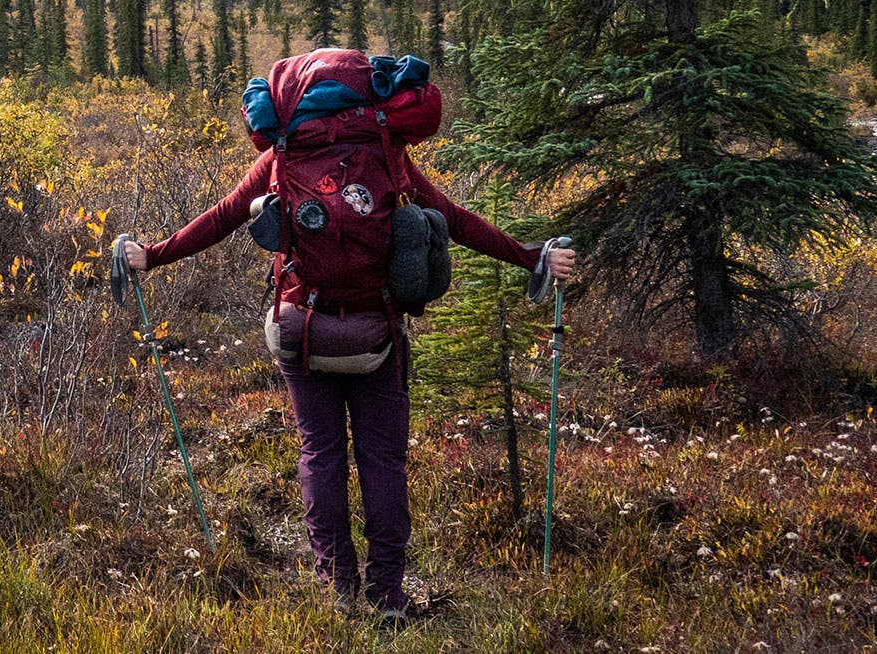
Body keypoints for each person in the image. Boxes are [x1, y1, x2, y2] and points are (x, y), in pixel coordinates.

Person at [115, 156, 576, 620]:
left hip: (299, 331)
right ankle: (386, 594)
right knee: (383, 464)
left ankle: (338, 588)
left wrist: (154, 253)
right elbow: (454, 220)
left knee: (320, 453)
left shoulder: (284, 152)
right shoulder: (384, 151)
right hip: (376, 333)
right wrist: (531, 256)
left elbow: (224, 215)